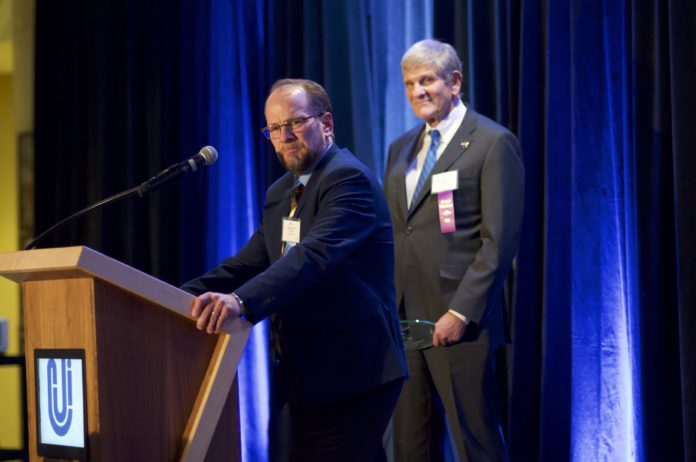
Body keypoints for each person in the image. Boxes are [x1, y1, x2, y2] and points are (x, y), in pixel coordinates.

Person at [181, 78, 407, 462]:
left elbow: (312, 257)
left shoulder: (346, 179)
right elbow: (249, 262)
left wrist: (239, 302)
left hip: (353, 368)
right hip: (308, 370)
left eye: (295, 122)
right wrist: (170, 294)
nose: (284, 136)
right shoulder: (282, 191)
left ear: (327, 123)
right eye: (274, 128)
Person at [383, 39, 525, 461]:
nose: (417, 92)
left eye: (426, 80)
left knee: (475, 443)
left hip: (460, 324)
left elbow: (498, 243)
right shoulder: (400, 149)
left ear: (455, 81)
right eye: (409, 83)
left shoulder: (491, 142)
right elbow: (399, 233)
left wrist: (461, 312)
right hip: (406, 322)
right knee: (411, 447)